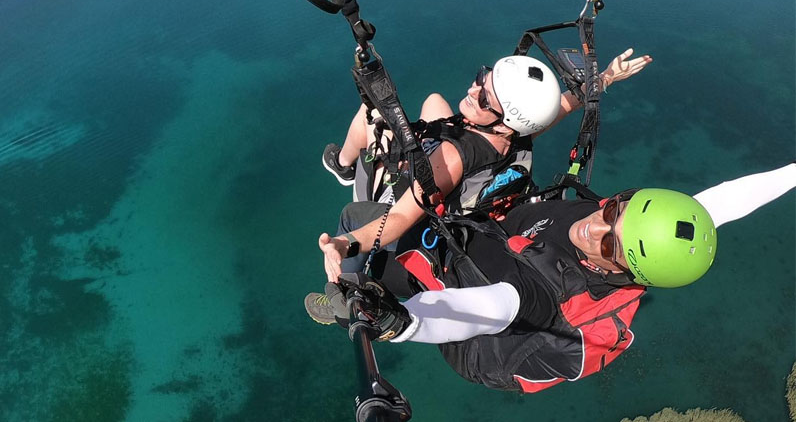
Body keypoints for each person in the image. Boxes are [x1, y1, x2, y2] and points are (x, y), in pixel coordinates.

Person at [305, 163, 796, 393]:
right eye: (616, 209)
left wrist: (399, 321)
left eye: (609, 244)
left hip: (479, 334)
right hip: (500, 249)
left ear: (626, 273)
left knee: (359, 216)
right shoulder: (634, 237)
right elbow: (720, 203)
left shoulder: (550, 293)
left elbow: (491, 308)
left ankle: (342, 301)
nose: (595, 226)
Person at [317, 49, 652, 285]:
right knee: (434, 101)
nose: (472, 89)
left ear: (505, 121)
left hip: (425, 220)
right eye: (482, 79)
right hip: (474, 195)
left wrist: (344, 244)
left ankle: (354, 279)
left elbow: (403, 217)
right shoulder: (519, 135)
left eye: (484, 98)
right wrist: (606, 77)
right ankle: (348, 170)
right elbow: (563, 104)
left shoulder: (454, 156)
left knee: (369, 118)